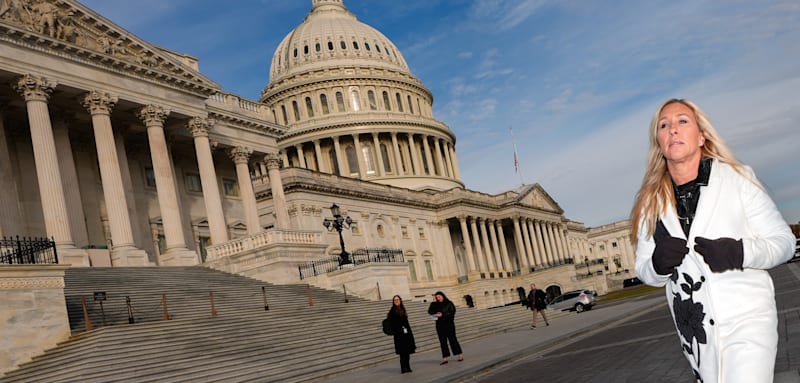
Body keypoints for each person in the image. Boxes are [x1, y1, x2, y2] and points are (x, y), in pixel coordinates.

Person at [631, 99, 794, 382]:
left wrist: (739, 252)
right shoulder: (650, 202)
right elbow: (644, 270)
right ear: (658, 141)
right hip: (696, 334)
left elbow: (784, 242)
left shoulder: (737, 178)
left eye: (683, 121)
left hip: (747, 319)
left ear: (702, 135)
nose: (673, 130)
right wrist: (659, 264)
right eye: (664, 125)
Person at [427, 291, 463, 364]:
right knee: (443, 342)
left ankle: (460, 355)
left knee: (453, 340)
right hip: (439, 325)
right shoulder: (435, 304)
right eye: (437, 297)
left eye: (439, 297)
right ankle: (445, 358)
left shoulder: (449, 303)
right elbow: (430, 311)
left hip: (449, 324)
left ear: (443, 296)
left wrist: (443, 314)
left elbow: (452, 312)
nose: (438, 298)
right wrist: (434, 303)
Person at [386, 295, 416, 373]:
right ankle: (403, 368)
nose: (396, 301)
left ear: (400, 300)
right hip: (399, 335)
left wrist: (409, 332)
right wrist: (399, 328)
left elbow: (406, 323)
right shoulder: (392, 311)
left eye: (397, 299)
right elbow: (392, 324)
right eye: (395, 300)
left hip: (406, 334)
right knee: (402, 353)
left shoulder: (403, 309)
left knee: (407, 352)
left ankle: (408, 367)